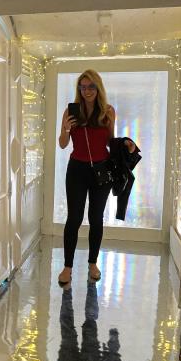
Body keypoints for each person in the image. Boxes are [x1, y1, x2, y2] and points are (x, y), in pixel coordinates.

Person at [57, 70, 130, 286]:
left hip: (102, 170)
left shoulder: (107, 112)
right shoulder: (71, 111)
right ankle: (67, 267)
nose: (87, 91)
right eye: (83, 87)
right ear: (79, 89)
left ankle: (92, 264)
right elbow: (62, 144)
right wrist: (66, 129)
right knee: (74, 218)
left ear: (98, 88)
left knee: (96, 218)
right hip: (77, 170)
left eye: (91, 87)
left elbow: (110, 142)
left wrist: (125, 144)